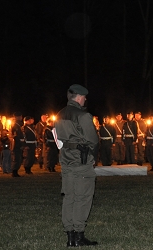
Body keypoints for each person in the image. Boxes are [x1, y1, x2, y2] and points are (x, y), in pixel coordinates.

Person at [54, 84, 98, 247]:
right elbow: (93, 140)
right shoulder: (83, 115)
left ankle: (70, 236)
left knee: (69, 196)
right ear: (79, 97)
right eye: (84, 97)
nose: (85, 99)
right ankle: (79, 234)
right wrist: (93, 157)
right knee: (83, 197)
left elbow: (58, 138)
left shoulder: (59, 114)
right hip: (81, 160)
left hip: (66, 159)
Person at [11, 112, 25, 177]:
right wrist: (20, 144)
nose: (20, 118)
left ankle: (16, 170)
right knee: (16, 158)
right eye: (19, 116)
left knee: (19, 158)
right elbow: (16, 136)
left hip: (20, 143)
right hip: (17, 144)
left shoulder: (20, 125)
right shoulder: (15, 126)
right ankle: (14, 171)